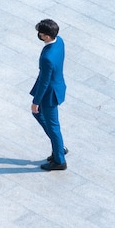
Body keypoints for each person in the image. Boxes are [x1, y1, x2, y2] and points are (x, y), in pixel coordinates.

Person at [30, 19, 68, 171]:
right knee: (49, 122)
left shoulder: (47, 58)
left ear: (46, 36)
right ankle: (58, 147)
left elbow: (44, 82)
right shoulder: (60, 42)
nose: (39, 35)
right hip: (57, 86)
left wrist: (36, 101)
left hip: (49, 94)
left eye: (40, 33)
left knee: (52, 126)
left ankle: (59, 158)